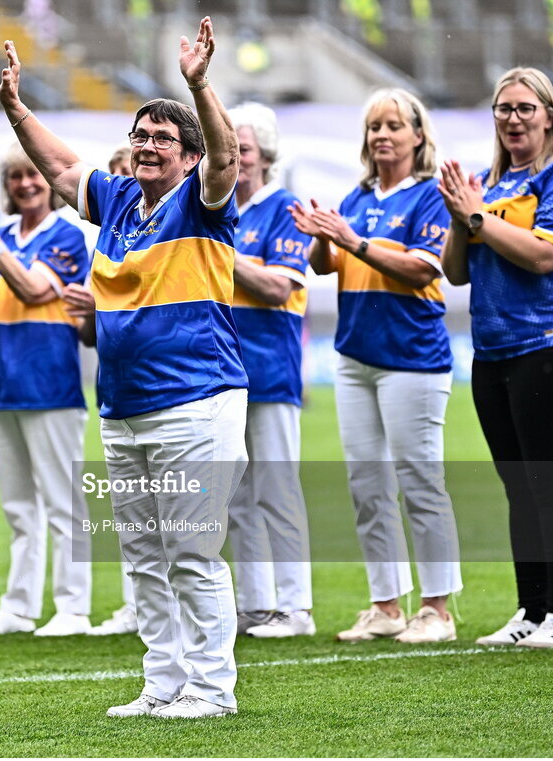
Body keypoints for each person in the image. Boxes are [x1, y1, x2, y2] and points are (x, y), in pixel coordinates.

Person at [0, 16, 248, 718]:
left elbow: (226, 157)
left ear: (188, 155)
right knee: (141, 555)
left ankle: (210, 688)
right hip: (123, 406)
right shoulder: (114, 202)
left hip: (197, 400)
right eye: (139, 135)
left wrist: (199, 86)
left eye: (162, 138)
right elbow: (59, 167)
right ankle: (163, 682)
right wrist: (18, 111)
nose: (145, 145)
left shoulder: (203, 201)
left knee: (193, 552)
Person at [439, 67, 553, 648]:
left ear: (549, 115)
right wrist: (464, 217)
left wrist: (478, 216)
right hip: (494, 350)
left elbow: (542, 258)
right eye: (503, 109)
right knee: (519, 486)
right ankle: (531, 612)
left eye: (524, 108)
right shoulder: (484, 182)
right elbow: (455, 271)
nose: (513, 118)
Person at [290, 88, 463, 644]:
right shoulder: (358, 197)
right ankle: (386, 606)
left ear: (418, 135)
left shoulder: (430, 197)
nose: (382, 135)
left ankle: (436, 609)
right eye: (374, 127)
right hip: (355, 355)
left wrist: (350, 238)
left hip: (411, 357)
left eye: (393, 125)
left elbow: (420, 270)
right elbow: (327, 264)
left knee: (420, 481)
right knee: (367, 485)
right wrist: (320, 238)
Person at [0, 144, 93, 637]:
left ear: (49, 183)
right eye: (14, 176)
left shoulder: (67, 235)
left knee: (60, 500)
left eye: (32, 174)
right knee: (17, 504)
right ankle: (19, 605)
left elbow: (33, 289)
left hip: (48, 383)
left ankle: (73, 608)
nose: (25, 183)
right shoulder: (0, 236)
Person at [226, 102, 314, 639]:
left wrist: (216, 250)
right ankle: (256, 605)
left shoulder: (285, 208)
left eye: (246, 149)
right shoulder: (216, 210)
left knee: (277, 489)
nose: (236, 158)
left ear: (267, 155)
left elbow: (279, 285)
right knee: (235, 492)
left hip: (270, 366)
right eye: (228, 148)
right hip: (221, 370)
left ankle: (296, 607)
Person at [68, 144, 140, 638]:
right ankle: (139, 607)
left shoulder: (174, 223)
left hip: (173, 389)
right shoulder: (107, 244)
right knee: (134, 523)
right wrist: (89, 314)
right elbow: (93, 335)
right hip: (117, 391)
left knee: (182, 526)